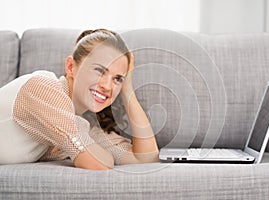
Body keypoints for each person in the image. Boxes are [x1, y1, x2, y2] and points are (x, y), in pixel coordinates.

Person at [0, 29, 159, 170]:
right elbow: (98, 163)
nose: (107, 86)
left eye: (117, 79)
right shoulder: (42, 88)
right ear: (70, 67)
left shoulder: (82, 125)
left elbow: (146, 158)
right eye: (99, 70)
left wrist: (127, 88)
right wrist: (96, 152)